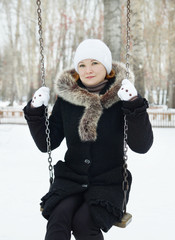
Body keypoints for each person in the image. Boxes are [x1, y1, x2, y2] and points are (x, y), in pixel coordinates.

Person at [23, 39, 153, 240]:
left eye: (95, 63)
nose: (88, 70)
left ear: (107, 67)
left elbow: (141, 146)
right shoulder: (66, 99)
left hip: (109, 182)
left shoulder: (122, 96)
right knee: (58, 219)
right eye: (82, 65)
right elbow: (47, 143)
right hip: (71, 179)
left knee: (85, 223)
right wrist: (35, 111)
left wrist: (134, 105)